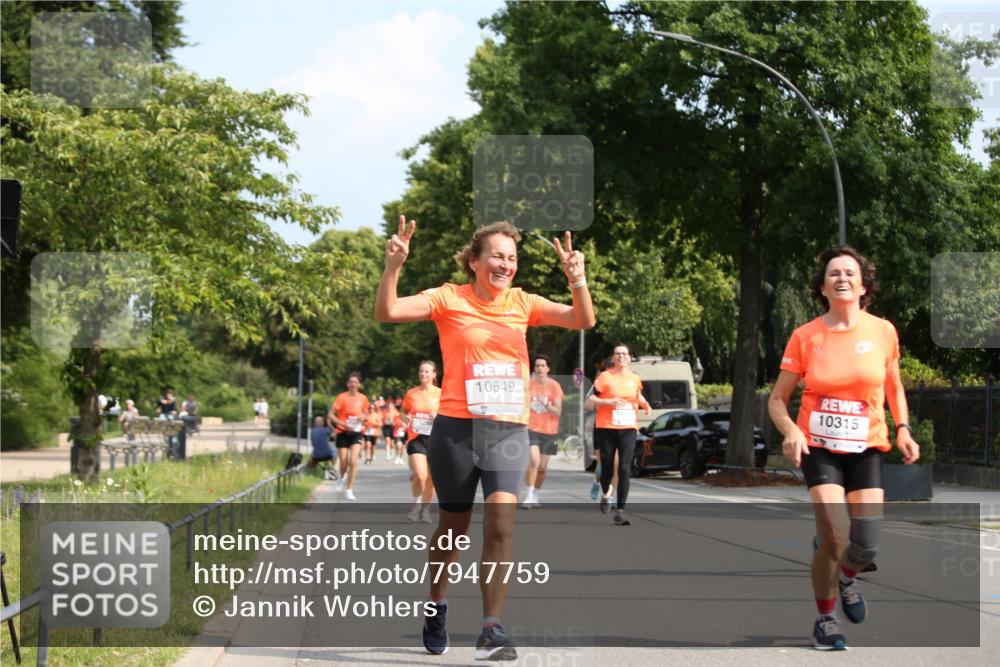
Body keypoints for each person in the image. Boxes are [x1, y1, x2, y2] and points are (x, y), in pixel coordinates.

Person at [376, 215, 594, 660]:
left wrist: (578, 279)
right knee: (452, 530)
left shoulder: (522, 302)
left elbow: (582, 319)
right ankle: (436, 605)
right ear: (474, 261)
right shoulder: (447, 298)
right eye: (497, 255)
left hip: (508, 430)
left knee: (501, 524)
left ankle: (491, 627)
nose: (506, 264)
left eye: (512, 258)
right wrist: (393, 267)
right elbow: (388, 312)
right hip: (455, 430)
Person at [767, 246, 920, 651]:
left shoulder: (883, 331)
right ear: (822, 287)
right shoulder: (805, 336)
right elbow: (777, 399)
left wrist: (903, 428)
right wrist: (790, 431)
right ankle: (825, 618)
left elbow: (893, 386)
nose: (842, 278)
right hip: (819, 447)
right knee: (836, 537)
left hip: (867, 445)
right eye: (833, 273)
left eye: (850, 273)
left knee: (865, 544)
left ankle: (848, 578)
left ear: (864, 284)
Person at [584, 344, 651, 526]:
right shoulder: (605, 377)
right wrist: (608, 402)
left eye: (625, 354)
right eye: (617, 354)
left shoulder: (635, 378)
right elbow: (589, 402)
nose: (621, 357)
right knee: (606, 467)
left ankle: (620, 511)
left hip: (628, 427)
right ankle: (606, 494)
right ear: (613, 358)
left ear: (630, 358)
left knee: (624, 468)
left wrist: (646, 405)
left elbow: (636, 396)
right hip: (606, 428)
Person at [402, 361, 442, 523]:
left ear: (434, 374)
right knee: (420, 475)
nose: (423, 374)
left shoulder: (441, 393)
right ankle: (416, 505)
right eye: (421, 371)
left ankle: (425, 509)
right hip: (416, 438)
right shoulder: (412, 393)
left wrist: (437, 417)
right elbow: (403, 412)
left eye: (427, 372)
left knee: (431, 478)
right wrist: (405, 418)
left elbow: (449, 415)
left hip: (436, 439)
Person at [523, 354, 563, 509]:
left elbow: (558, 411)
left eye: (542, 365)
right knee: (534, 460)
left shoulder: (554, 386)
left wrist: (544, 403)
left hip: (550, 430)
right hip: (531, 427)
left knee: (543, 467)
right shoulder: (528, 385)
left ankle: (535, 494)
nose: (539, 368)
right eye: (537, 365)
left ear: (548, 368)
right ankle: (528, 494)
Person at [327, 373, 370, 500]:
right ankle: (341, 477)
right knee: (344, 463)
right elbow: (331, 415)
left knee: (354, 461)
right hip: (342, 432)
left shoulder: (363, 398)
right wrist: (343, 424)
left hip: (356, 432)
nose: (353, 384)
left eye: (355, 382)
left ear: (359, 384)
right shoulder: (341, 397)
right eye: (351, 382)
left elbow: (366, 415)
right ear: (347, 384)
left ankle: (349, 489)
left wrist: (364, 417)